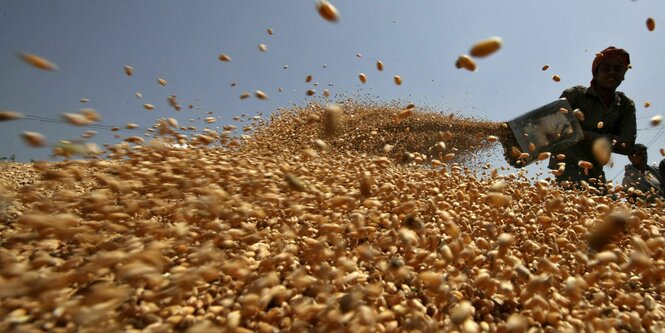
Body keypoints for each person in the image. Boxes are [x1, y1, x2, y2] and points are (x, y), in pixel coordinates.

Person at [548, 46, 637, 189]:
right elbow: (550, 127)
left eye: (617, 68)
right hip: (565, 170)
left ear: (624, 74)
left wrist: (585, 135)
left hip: (595, 172)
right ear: (596, 73)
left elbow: (627, 144)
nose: (612, 72)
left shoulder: (625, 106)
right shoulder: (575, 95)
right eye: (606, 68)